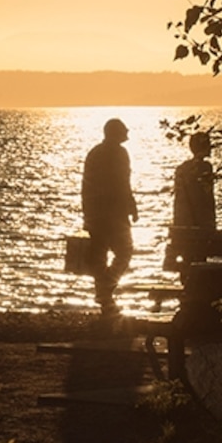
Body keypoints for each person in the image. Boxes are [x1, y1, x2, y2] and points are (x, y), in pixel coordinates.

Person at [79, 117, 136, 317]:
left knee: (99, 257)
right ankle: (106, 289)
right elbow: (123, 183)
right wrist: (131, 207)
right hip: (114, 215)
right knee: (125, 252)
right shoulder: (120, 153)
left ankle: (105, 299)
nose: (127, 135)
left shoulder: (94, 153)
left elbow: (85, 186)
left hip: (95, 215)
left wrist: (87, 213)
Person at [165, 128, 218, 269]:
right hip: (201, 223)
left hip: (184, 223)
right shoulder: (206, 167)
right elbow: (207, 197)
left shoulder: (181, 169)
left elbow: (179, 200)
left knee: (188, 254)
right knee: (200, 255)